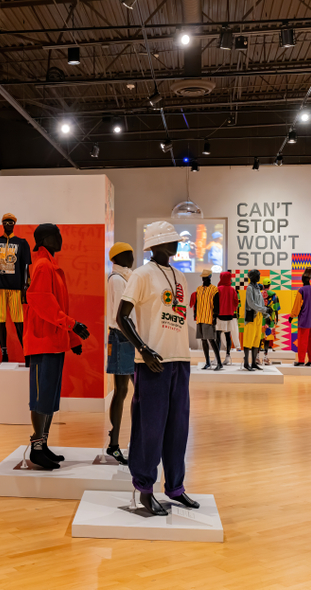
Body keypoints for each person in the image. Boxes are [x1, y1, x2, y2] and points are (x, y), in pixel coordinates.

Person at [115, 220, 198, 515]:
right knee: (149, 428)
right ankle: (145, 488)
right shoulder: (142, 275)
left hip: (180, 359)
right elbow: (121, 317)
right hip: (153, 363)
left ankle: (175, 487)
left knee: (178, 428)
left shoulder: (179, 275)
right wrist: (143, 348)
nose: (177, 245)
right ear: (159, 243)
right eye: (172, 240)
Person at [23, 223, 89, 471]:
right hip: (42, 342)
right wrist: (72, 326)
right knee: (41, 398)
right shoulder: (42, 266)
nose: (60, 238)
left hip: (53, 341)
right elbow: (44, 305)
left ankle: (43, 444)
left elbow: (58, 307)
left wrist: (72, 339)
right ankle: (36, 447)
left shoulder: (50, 266)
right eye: (56, 235)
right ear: (44, 239)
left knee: (49, 396)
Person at [0, 213, 32, 362]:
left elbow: (25, 266)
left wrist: (25, 285)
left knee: (19, 322)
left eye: (11, 222)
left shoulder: (22, 243)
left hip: (16, 288)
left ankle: (27, 353)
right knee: (0, 321)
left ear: (14, 224)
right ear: (2, 223)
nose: (8, 224)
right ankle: (4, 353)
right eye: (6, 222)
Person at [105, 242, 135, 465]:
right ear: (117, 258)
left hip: (128, 337)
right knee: (121, 390)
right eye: (128, 254)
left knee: (128, 389)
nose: (132, 257)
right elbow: (119, 316)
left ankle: (119, 441)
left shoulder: (126, 278)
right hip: (122, 337)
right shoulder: (117, 280)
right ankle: (114, 443)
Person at [189, 269, 223, 370]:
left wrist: (214, 316)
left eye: (205, 277)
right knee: (203, 341)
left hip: (209, 317)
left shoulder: (214, 289)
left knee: (212, 340)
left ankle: (219, 362)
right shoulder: (199, 289)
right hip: (200, 317)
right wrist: (195, 313)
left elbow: (217, 305)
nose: (203, 279)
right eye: (203, 277)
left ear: (209, 277)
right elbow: (197, 302)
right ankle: (207, 362)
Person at [289, 267, 311, 366]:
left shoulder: (301, 290)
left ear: (303, 279)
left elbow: (297, 305)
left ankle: (301, 360)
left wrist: (292, 316)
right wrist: (310, 312)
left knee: (302, 341)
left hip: (304, 321)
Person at [242, 270, 266, 371]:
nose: (259, 276)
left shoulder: (257, 288)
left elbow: (261, 304)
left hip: (259, 317)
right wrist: (264, 309)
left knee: (256, 340)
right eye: (258, 275)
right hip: (251, 317)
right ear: (253, 277)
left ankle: (253, 363)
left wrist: (266, 313)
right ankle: (246, 363)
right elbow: (251, 303)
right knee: (248, 340)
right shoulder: (249, 288)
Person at [215, 271, 240, 365]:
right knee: (227, 337)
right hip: (229, 315)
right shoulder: (232, 289)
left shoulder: (218, 289)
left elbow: (215, 303)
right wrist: (231, 309)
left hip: (219, 315)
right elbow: (236, 302)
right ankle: (227, 356)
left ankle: (217, 358)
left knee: (217, 337)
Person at [260, 276, 280, 366]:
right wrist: (276, 318)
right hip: (270, 319)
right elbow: (276, 308)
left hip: (260, 319)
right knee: (267, 338)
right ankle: (265, 357)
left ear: (263, 285)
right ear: (269, 285)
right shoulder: (274, 294)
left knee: (260, 338)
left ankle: (256, 357)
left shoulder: (259, 294)